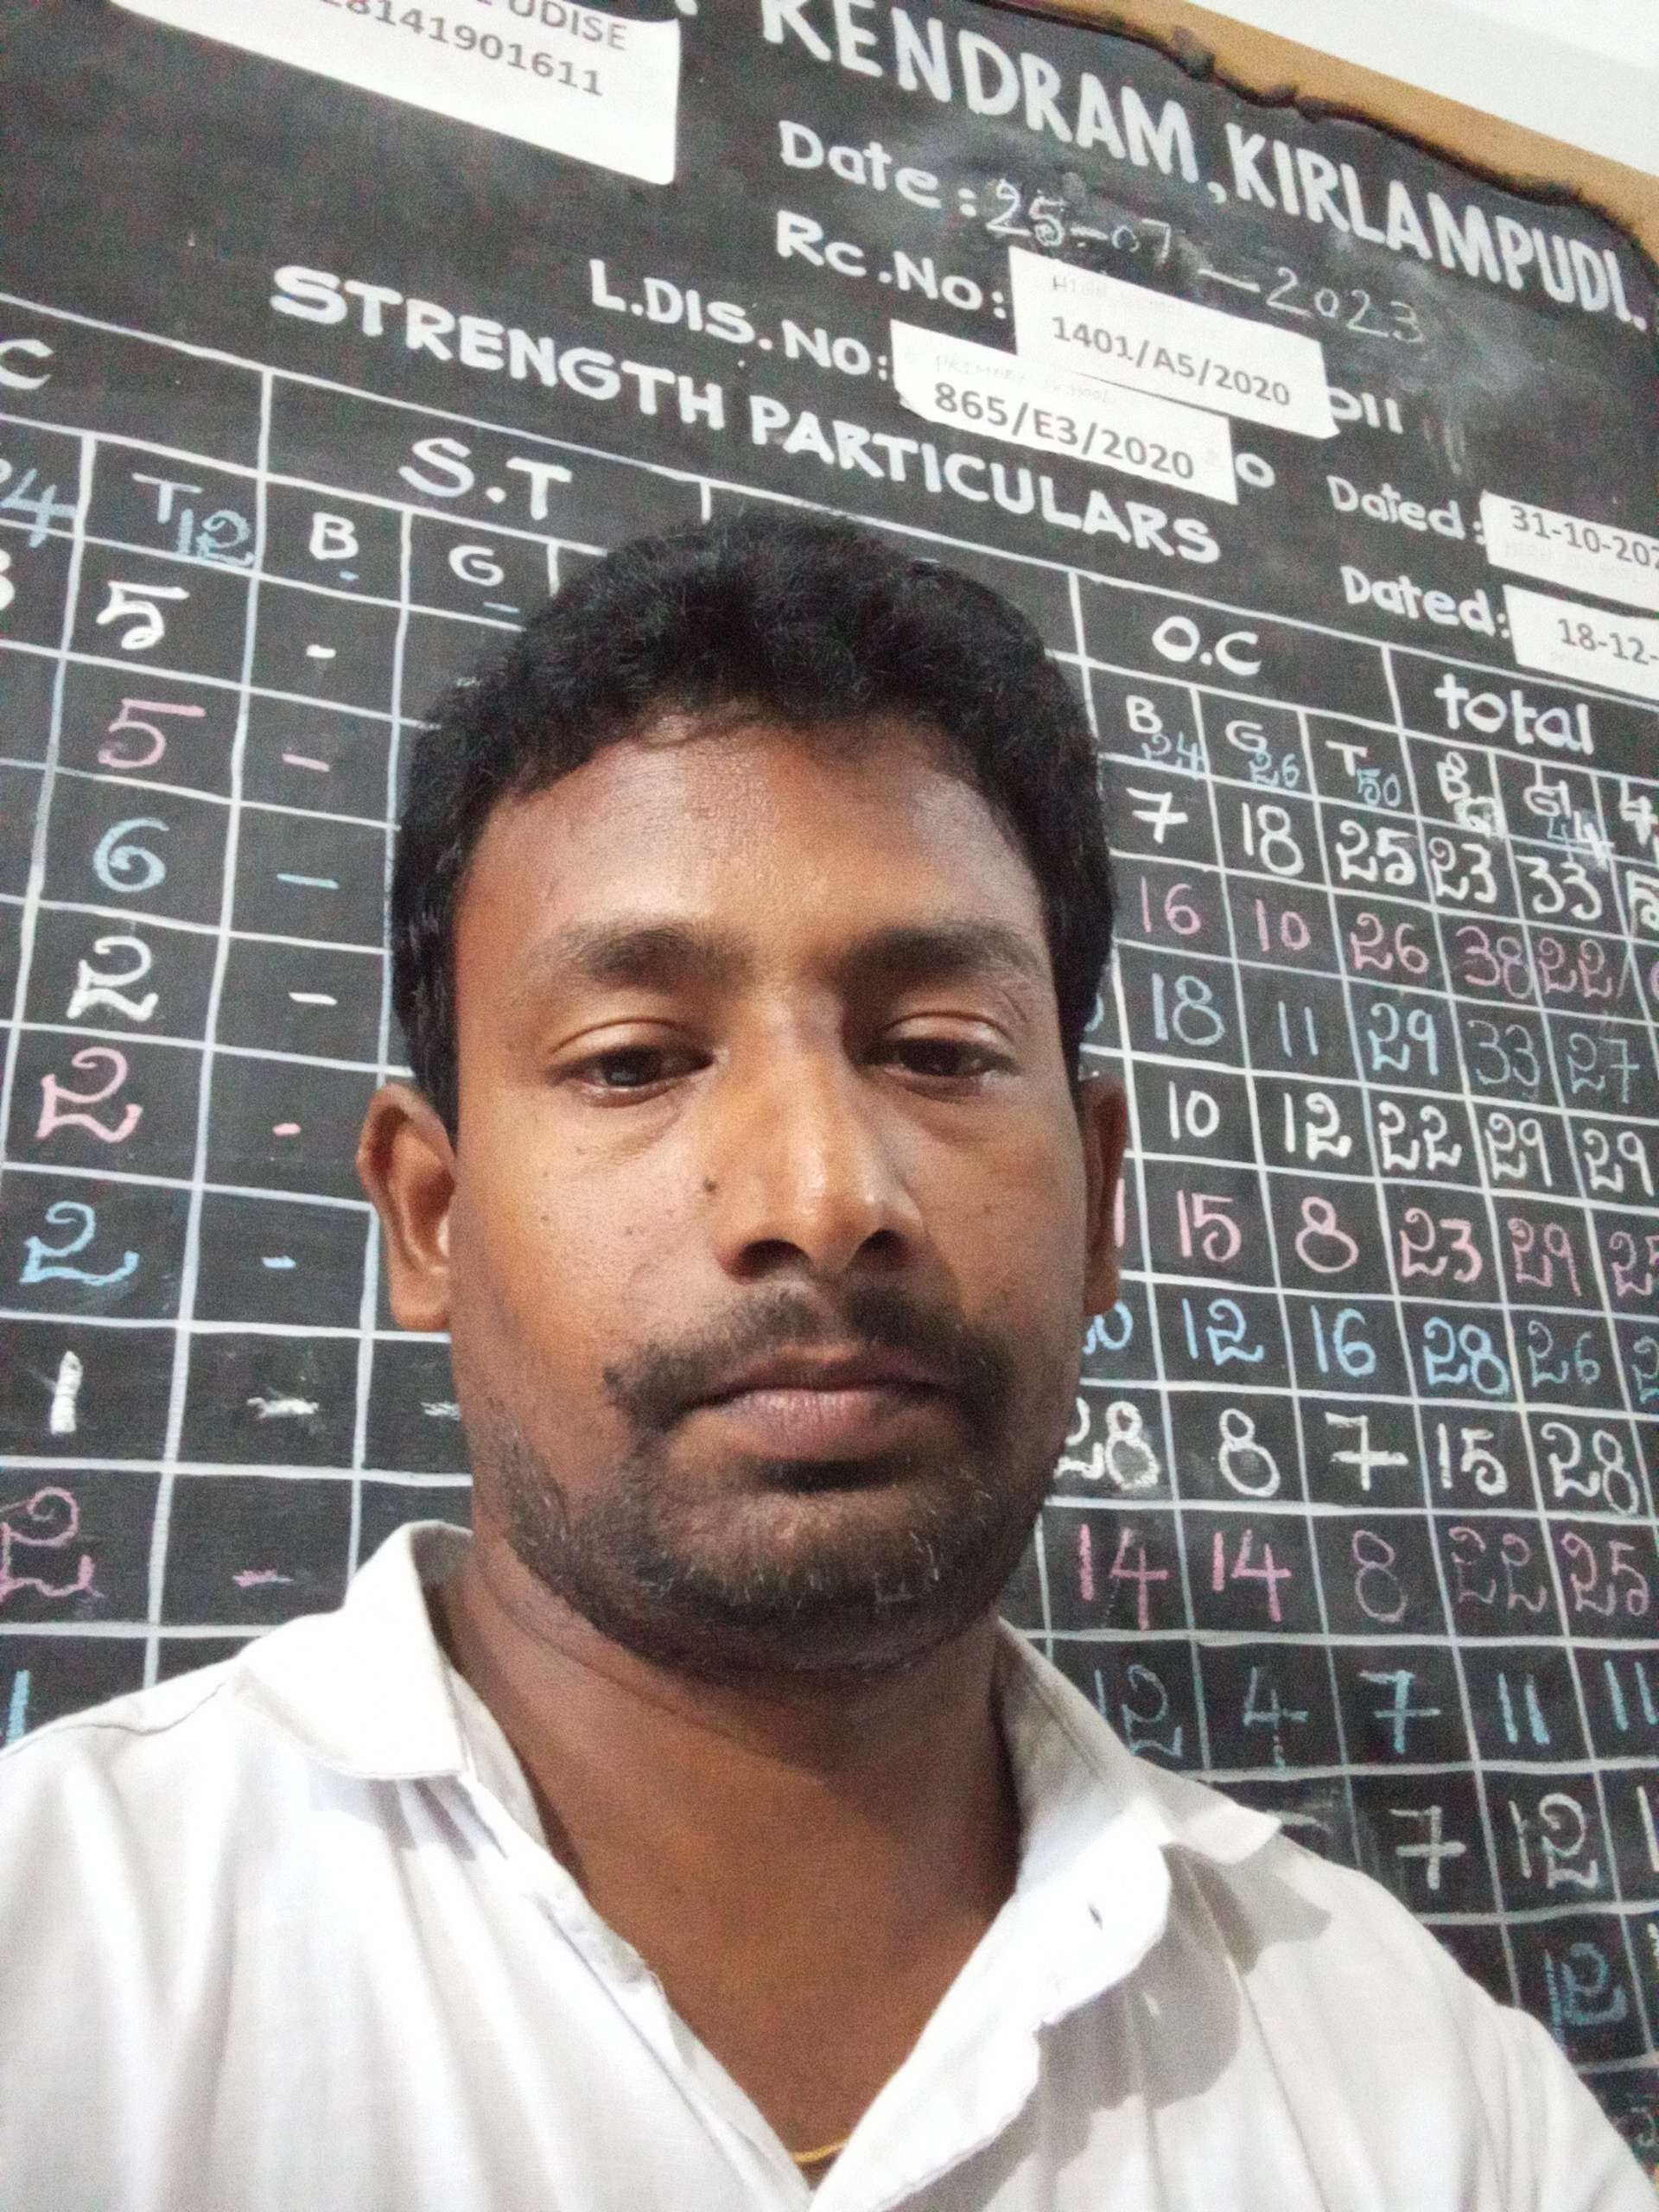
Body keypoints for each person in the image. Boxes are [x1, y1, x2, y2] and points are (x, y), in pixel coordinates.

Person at [0, 512, 1649, 2210]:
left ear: (1100, 1204)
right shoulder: (60, 1957)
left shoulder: (1431, 2101)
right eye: (634, 1060)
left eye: (939, 1049)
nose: (822, 1196)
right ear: (430, 1216)